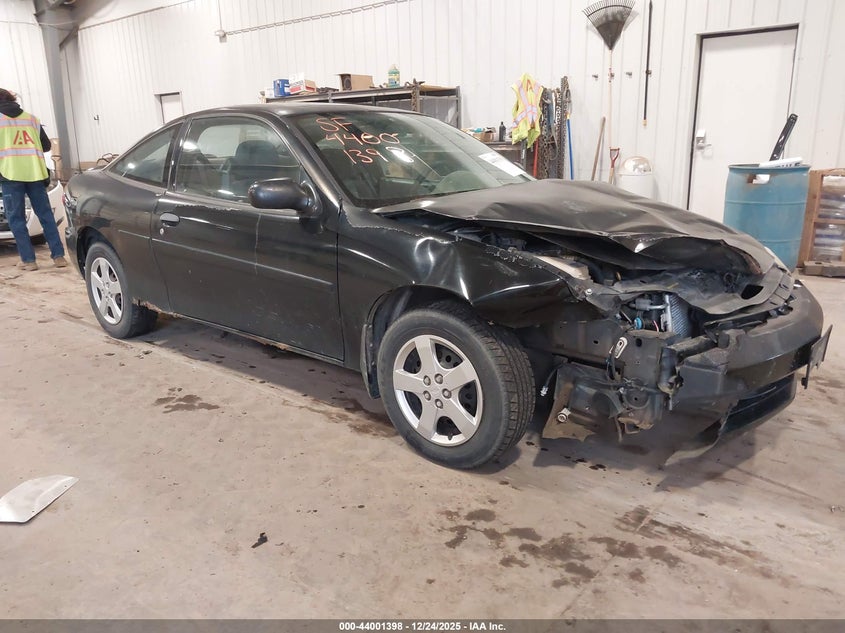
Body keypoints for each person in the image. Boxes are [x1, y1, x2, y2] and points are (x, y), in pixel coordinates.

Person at [0, 88, 67, 271]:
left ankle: (29, 261)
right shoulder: (31, 119)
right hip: (35, 174)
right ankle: (59, 256)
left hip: (10, 174)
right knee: (46, 215)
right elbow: (46, 146)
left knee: (16, 219)